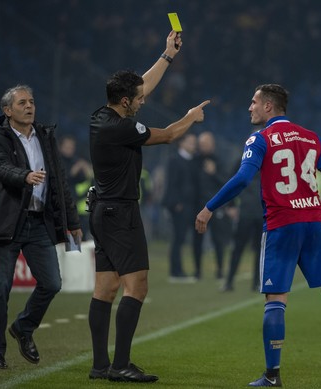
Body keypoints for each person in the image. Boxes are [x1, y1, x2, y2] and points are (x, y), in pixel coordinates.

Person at [195, 84, 321, 387]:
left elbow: (242, 179)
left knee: (276, 301)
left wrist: (209, 208)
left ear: (269, 107)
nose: (249, 107)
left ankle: (273, 375)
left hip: (281, 227)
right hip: (314, 225)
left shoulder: (260, 139)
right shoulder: (311, 137)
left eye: (253, 102)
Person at [87, 30, 210, 383]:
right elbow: (170, 135)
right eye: (137, 99)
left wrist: (167, 55)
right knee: (137, 286)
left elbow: (141, 85)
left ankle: (100, 366)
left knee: (105, 288)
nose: (143, 100)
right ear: (125, 102)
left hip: (103, 211)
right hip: (120, 213)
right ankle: (121, 365)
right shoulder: (122, 129)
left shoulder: (102, 116)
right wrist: (190, 117)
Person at [0, 85, 82, 370]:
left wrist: (72, 223)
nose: (29, 106)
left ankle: (23, 327)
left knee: (52, 283)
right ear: (7, 110)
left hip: (39, 222)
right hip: (8, 222)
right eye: (22, 102)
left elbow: (60, 181)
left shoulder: (46, 136)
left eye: (32, 101)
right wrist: (24, 176)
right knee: (0, 286)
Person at [193, 131, 231, 279]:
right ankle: (197, 271)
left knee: (218, 240)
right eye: (202, 144)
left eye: (207, 143)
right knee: (197, 239)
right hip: (198, 205)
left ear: (212, 144)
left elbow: (226, 183)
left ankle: (220, 270)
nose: (204, 146)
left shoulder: (219, 161)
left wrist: (214, 172)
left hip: (216, 206)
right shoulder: (195, 161)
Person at [162, 133, 198, 282]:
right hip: (179, 207)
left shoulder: (193, 161)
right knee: (178, 238)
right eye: (190, 142)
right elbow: (171, 183)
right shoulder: (174, 160)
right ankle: (175, 272)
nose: (193, 145)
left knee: (184, 238)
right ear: (182, 143)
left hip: (192, 205)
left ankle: (180, 270)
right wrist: (175, 203)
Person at [221, 171, 262, 292]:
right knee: (238, 248)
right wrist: (231, 204)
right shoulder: (242, 159)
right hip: (246, 213)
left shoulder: (267, 160)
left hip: (261, 212)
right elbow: (232, 181)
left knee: (260, 250)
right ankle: (229, 281)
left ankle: (257, 283)